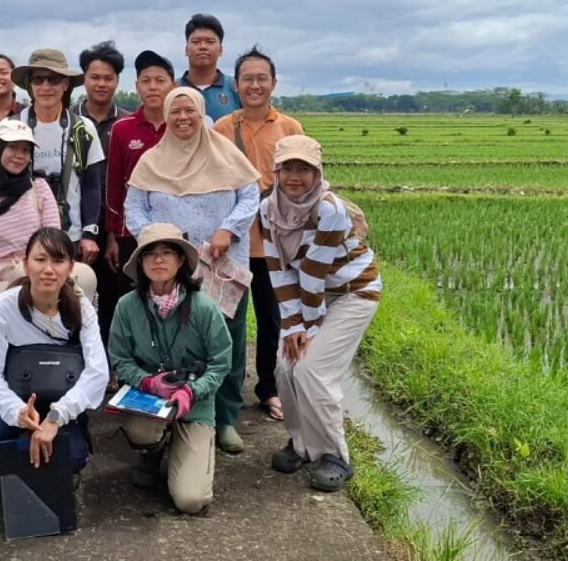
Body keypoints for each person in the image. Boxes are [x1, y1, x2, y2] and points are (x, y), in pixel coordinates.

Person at [124, 87, 260, 453]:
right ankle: (171, 411)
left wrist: (227, 229)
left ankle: (225, 417)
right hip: (169, 267)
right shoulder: (151, 161)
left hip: (222, 266)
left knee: (226, 344)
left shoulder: (226, 154)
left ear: (201, 114)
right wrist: (157, 240)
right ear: (166, 117)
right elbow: (134, 208)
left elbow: (250, 196)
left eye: (190, 111)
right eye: (175, 112)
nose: (183, 118)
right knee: (172, 340)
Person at [260, 135, 382, 492]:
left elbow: (313, 273)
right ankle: (301, 444)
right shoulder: (269, 208)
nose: (295, 177)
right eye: (288, 169)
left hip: (352, 292)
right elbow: (278, 269)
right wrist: (293, 325)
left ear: (318, 172)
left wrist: (306, 328)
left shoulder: (329, 210)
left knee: (314, 370)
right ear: (277, 172)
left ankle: (334, 456)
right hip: (307, 293)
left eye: (304, 169)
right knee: (284, 366)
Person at [107, 223, 231, 515]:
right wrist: (148, 382)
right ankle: (152, 453)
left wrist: (192, 390)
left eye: (167, 253)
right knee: (140, 431)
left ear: (180, 261)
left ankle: (190, 446)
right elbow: (119, 359)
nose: (158, 260)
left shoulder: (203, 307)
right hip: (150, 402)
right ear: (139, 263)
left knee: (191, 501)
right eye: (149, 254)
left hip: (195, 405)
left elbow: (221, 362)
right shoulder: (126, 306)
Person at [212, 46, 304, 423]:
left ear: (273, 83)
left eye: (261, 78)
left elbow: (305, 184)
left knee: (272, 320)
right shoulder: (221, 129)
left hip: (275, 244)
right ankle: (223, 390)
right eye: (247, 78)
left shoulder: (290, 128)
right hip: (231, 243)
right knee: (226, 321)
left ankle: (268, 388)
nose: (254, 85)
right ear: (236, 85)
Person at [0, 228, 109, 472]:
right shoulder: (1, 309)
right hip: (15, 397)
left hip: (61, 400)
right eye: (40, 259)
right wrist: (17, 412)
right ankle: (3, 458)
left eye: (58, 260)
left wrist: (57, 416)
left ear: (70, 267)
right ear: (26, 264)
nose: (48, 269)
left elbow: (98, 372)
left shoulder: (82, 309)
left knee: (73, 456)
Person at [104, 51, 175, 357]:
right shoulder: (123, 129)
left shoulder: (182, 124)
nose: (153, 87)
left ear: (173, 84)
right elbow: (114, 184)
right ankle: (122, 363)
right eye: (146, 81)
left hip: (174, 233)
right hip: (130, 233)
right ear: (136, 87)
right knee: (128, 298)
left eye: (160, 80)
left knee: (167, 297)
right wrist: (111, 236)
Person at [11, 49, 104, 267]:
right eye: (38, 79)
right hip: (23, 237)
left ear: (65, 84)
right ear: (29, 85)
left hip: (71, 235)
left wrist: (90, 233)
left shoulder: (83, 128)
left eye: (53, 79)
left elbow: (92, 185)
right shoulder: (12, 127)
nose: (45, 87)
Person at [0, 119, 63, 315]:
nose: (20, 155)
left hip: (40, 280)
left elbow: (53, 242)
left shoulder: (38, 188)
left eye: (26, 150)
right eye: (13, 148)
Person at [73, 41, 129, 348]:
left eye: (108, 77)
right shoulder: (68, 120)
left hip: (114, 225)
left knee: (112, 296)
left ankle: (111, 364)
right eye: (95, 76)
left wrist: (111, 235)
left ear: (118, 80)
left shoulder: (127, 122)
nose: (101, 83)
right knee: (71, 296)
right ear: (84, 78)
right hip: (72, 225)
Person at [179, 13, 239, 120]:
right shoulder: (173, 88)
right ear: (186, 50)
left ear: (221, 50)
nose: (203, 47)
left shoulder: (236, 87)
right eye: (196, 41)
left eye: (210, 42)